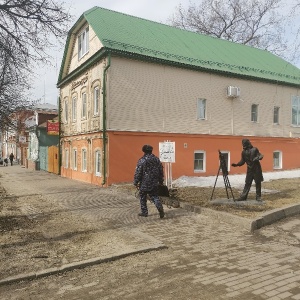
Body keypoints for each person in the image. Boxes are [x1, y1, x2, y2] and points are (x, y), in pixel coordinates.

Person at [134, 144, 165, 218]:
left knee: (142, 197)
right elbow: (161, 170)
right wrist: (161, 181)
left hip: (144, 182)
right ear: (151, 151)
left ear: (144, 151)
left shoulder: (142, 160)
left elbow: (138, 172)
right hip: (154, 182)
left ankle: (144, 212)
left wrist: (135, 181)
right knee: (154, 196)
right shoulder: (156, 159)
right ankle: (160, 208)